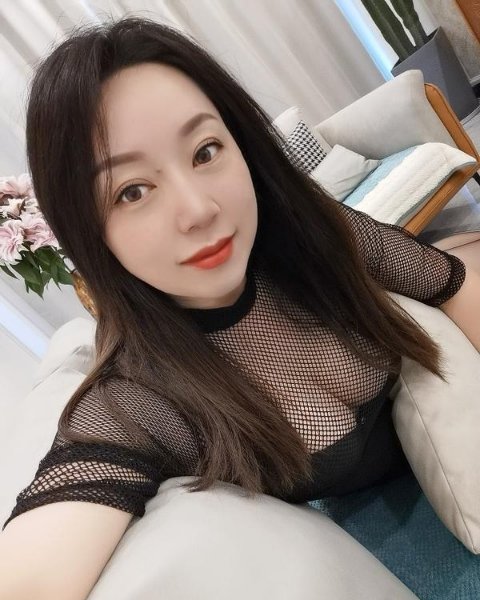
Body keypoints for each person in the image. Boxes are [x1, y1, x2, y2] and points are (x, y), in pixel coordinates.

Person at [0, 14, 471, 599]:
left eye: (205, 151)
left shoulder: (313, 236)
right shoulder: (138, 397)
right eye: (131, 191)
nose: (198, 209)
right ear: (87, 230)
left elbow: (450, 281)